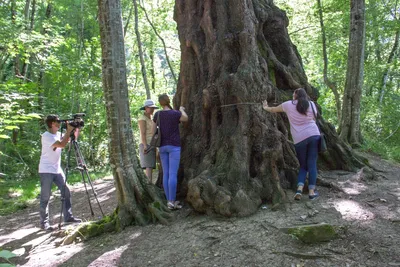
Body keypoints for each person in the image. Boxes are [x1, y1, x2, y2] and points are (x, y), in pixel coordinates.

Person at [262, 88, 320, 200]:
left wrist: (265, 107)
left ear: (296, 95)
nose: (292, 94)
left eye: (293, 93)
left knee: (303, 166)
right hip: (314, 135)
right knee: (312, 164)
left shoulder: (288, 104)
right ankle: (312, 192)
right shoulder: (312, 104)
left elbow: (274, 109)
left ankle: (299, 190)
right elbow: (313, 118)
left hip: (299, 138)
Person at [38, 115, 81, 231]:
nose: (59, 123)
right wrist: (68, 130)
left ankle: (68, 216)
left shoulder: (58, 134)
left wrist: (76, 128)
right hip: (46, 170)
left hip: (57, 170)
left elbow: (72, 139)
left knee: (66, 191)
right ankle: (44, 223)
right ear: (52, 123)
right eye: (57, 121)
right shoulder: (46, 136)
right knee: (45, 197)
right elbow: (62, 145)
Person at [153, 94, 188, 210]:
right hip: (174, 146)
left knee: (166, 174)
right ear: (168, 101)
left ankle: (169, 201)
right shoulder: (175, 113)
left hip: (162, 147)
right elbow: (185, 118)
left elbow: (154, 131)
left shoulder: (157, 114)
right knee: (172, 174)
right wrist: (182, 110)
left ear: (160, 103)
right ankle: (172, 201)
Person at [138, 99, 159, 183]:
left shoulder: (151, 118)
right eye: (151, 108)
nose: (153, 109)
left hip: (152, 143)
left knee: (151, 165)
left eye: (153, 108)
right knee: (148, 166)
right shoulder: (142, 118)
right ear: (146, 108)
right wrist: (145, 145)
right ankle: (149, 184)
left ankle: (150, 183)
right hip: (146, 144)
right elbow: (143, 133)